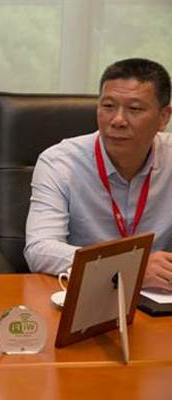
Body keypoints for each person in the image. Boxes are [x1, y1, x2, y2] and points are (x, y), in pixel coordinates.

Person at [25, 58, 172, 291]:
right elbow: (39, 250)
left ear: (163, 117)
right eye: (108, 106)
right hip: (85, 295)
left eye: (134, 109)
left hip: (160, 296)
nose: (118, 120)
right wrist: (128, 268)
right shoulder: (60, 162)